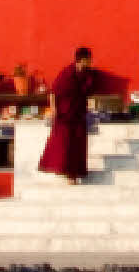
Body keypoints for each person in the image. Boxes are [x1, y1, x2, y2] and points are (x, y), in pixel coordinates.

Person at [37, 47, 103, 182]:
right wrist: (53, 109)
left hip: (78, 114)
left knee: (77, 145)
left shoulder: (88, 75)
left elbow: (89, 92)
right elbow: (53, 92)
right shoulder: (66, 73)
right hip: (64, 114)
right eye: (88, 59)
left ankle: (74, 174)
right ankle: (64, 171)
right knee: (63, 144)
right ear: (81, 60)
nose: (90, 62)